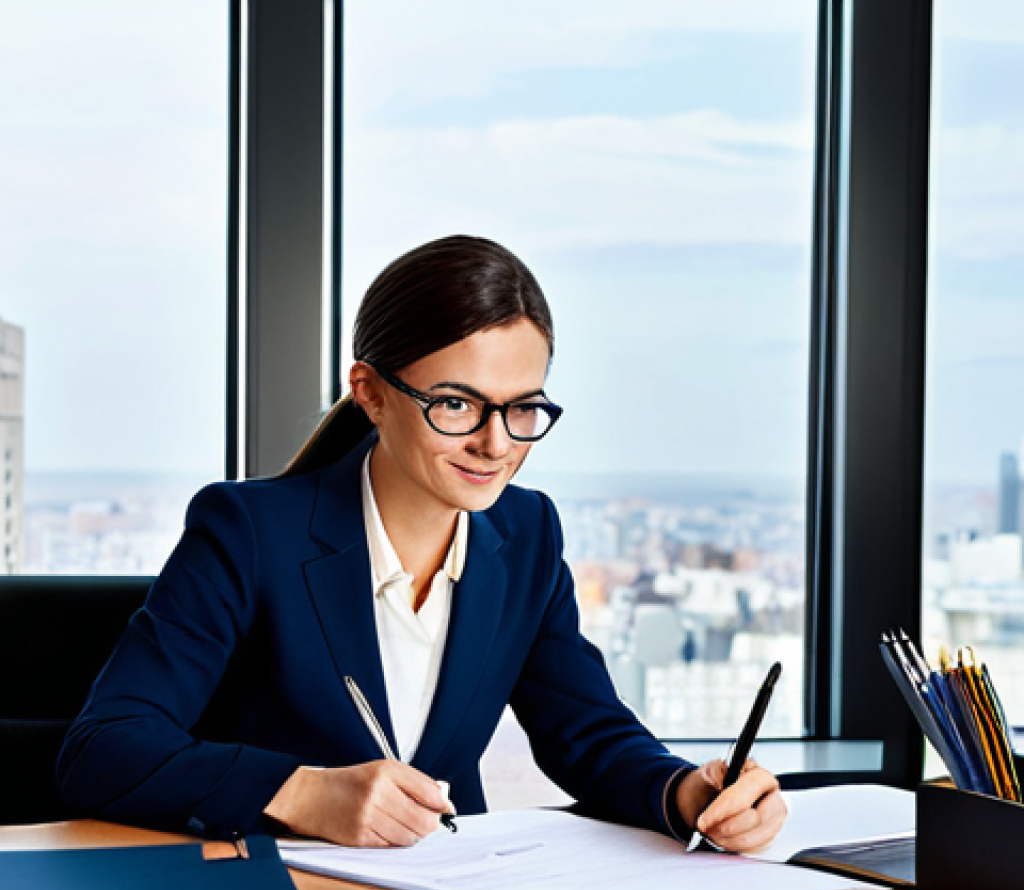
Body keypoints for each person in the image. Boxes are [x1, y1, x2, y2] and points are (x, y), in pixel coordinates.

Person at [57, 235, 787, 852]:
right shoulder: (248, 532)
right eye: (456, 404)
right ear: (372, 393)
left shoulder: (525, 536)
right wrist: (301, 792)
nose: (495, 442)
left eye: (523, 407)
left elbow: (587, 735)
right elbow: (102, 749)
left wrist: (687, 792)